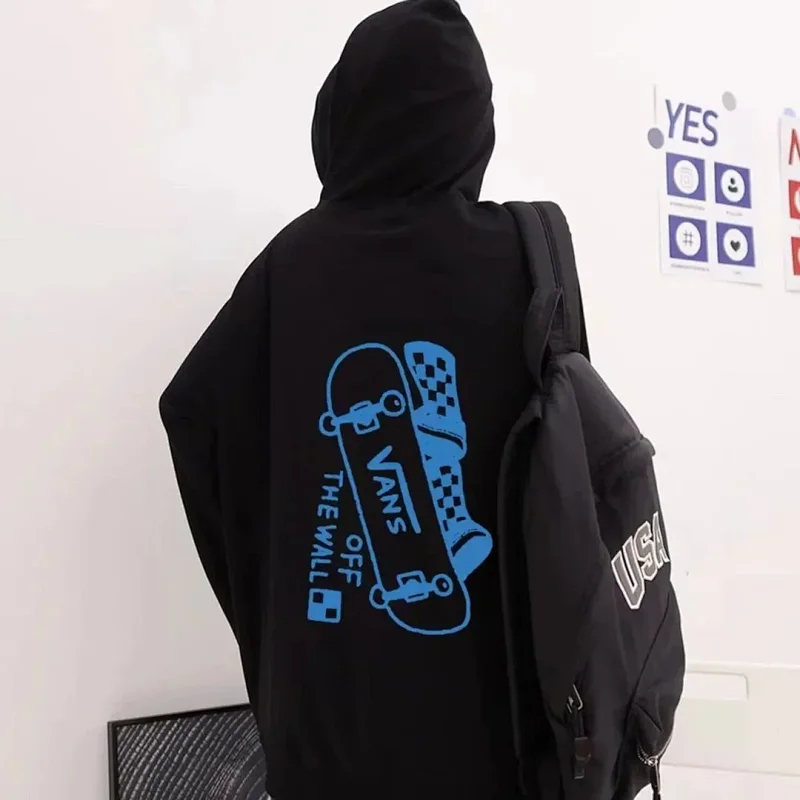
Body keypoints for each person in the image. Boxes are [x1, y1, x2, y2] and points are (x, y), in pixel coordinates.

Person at [160, 1, 535, 798]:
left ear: (339, 113)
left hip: (331, 729)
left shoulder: (291, 267)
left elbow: (191, 416)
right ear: (474, 125)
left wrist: (270, 598)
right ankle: (442, 484)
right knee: (443, 435)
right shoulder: (525, 254)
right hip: (505, 726)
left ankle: (434, 482)